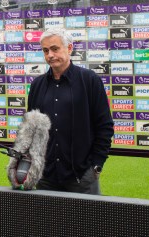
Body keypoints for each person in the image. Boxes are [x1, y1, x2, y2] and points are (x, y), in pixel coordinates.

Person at [27, 28, 114, 194]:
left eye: (55, 49)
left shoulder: (90, 80)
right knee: (47, 221)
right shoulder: (37, 85)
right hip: (45, 177)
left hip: (82, 177)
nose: (50, 55)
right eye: (45, 51)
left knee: (87, 221)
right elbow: (31, 129)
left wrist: (96, 165)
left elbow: (104, 126)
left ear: (70, 48)